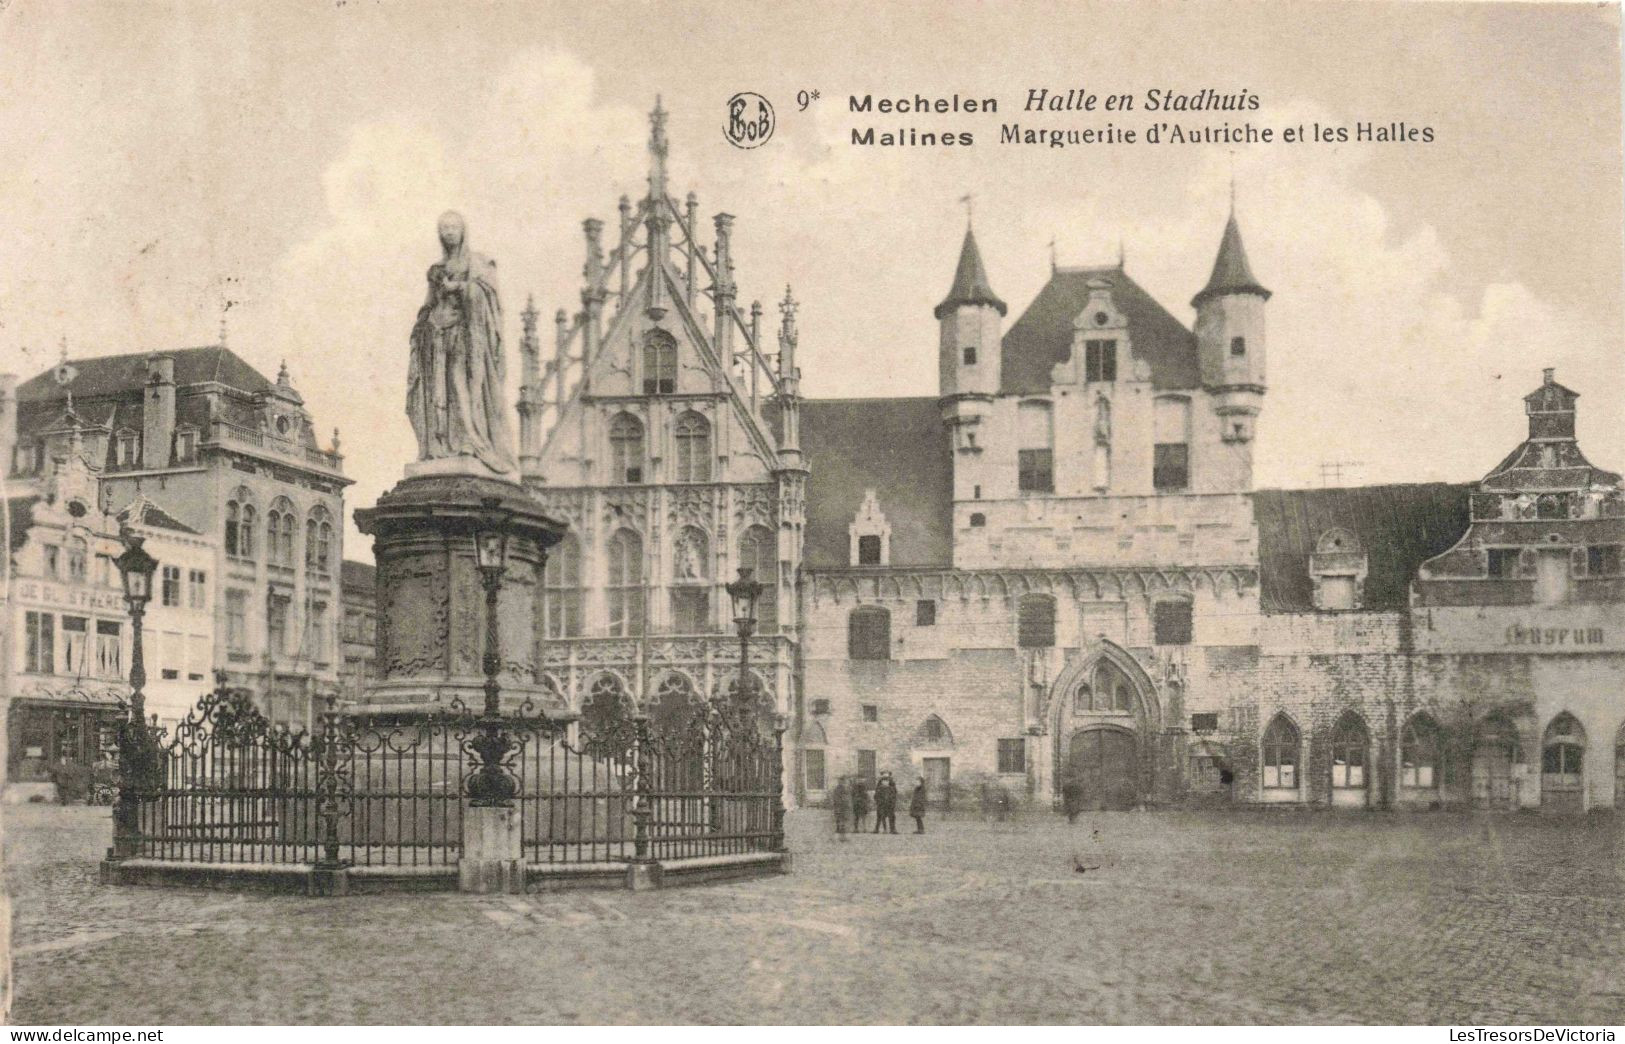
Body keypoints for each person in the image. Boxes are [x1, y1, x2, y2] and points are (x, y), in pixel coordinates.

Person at [406, 211, 519, 477]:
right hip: (436, 336)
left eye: (454, 227)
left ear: (463, 230)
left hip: (465, 336)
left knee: (461, 387)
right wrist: (423, 322)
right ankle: (439, 444)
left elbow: (487, 295)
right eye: (444, 227)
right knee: (437, 392)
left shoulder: (477, 263)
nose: (449, 232)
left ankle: (470, 439)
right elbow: (428, 302)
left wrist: (459, 288)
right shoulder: (436, 270)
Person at [832, 777, 850, 841]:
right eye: (844, 782)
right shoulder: (838, 789)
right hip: (840, 808)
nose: (845, 783)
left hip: (843, 808)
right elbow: (836, 799)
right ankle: (838, 837)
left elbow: (847, 798)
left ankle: (843, 837)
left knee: (843, 823)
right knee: (840, 822)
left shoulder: (845, 789)